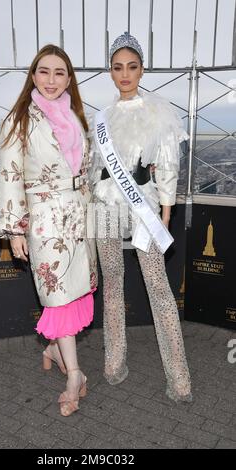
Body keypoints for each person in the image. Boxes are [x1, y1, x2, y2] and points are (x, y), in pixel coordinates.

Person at [0, 44, 97, 416]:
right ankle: (75, 376)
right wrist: (15, 230)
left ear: (70, 79)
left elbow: (87, 173)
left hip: (80, 219)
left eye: (60, 73)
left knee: (77, 292)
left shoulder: (78, 116)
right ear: (33, 75)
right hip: (45, 221)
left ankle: (54, 348)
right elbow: (9, 178)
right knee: (59, 296)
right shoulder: (18, 119)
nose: (52, 80)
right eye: (44, 71)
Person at [90, 32, 192, 402]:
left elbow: (167, 168)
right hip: (103, 208)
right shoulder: (102, 117)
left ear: (142, 69)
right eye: (118, 67)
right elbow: (94, 169)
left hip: (143, 206)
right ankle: (113, 365)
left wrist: (166, 214)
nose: (125, 74)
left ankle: (179, 379)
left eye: (132, 67)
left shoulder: (159, 112)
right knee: (112, 287)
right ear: (110, 72)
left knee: (159, 290)